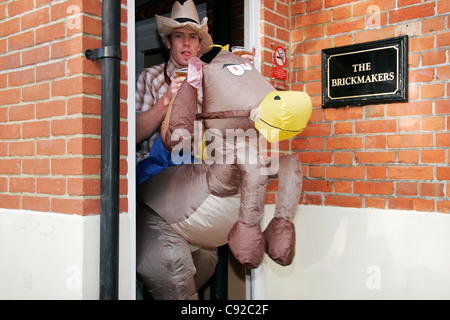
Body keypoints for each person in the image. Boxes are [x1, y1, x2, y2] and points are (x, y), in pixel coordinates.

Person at [135, 0, 253, 300]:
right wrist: (166, 103)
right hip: (156, 184)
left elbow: (238, 128)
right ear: (167, 42)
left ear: (200, 44)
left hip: (199, 190)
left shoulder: (212, 82)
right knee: (166, 261)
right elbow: (132, 134)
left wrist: (242, 76)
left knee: (207, 259)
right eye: (179, 35)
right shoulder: (149, 78)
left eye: (193, 36)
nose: (186, 42)